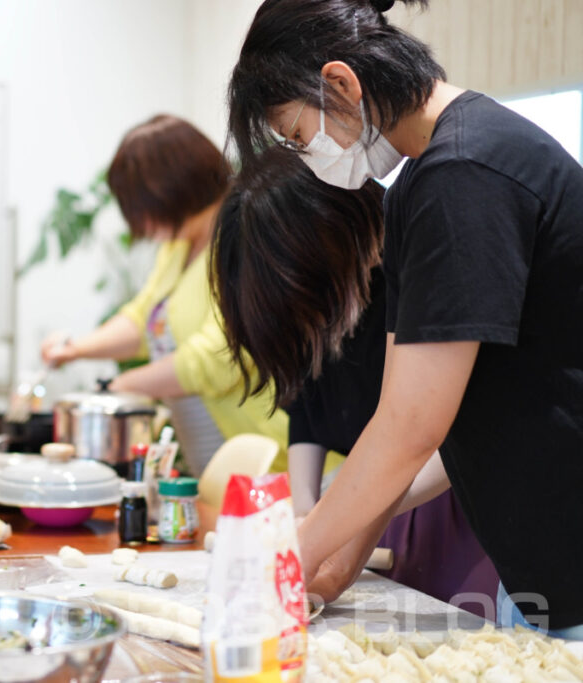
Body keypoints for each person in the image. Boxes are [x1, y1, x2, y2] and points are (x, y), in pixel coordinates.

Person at [227, 0, 583, 636]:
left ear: (340, 83)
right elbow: (405, 418)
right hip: (538, 575)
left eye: (297, 135)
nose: (305, 156)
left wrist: (281, 568)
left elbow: (407, 429)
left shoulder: (465, 173)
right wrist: (335, 562)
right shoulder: (423, 181)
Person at [211, 147, 499, 616]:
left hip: (458, 507)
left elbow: (439, 434)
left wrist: (338, 518)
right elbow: (305, 406)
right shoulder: (320, 299)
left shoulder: (422, 270)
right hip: (370, 501)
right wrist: (310, 510)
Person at [41, 114, 288, 475]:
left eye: (139, 207)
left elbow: (218, 356)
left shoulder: (248, 236)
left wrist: (119, 387)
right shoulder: (179, 245)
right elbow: (144, 320)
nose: (139, 223)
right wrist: (76, 350)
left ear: (168, 191)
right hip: (211, 453)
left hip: (271, 454)